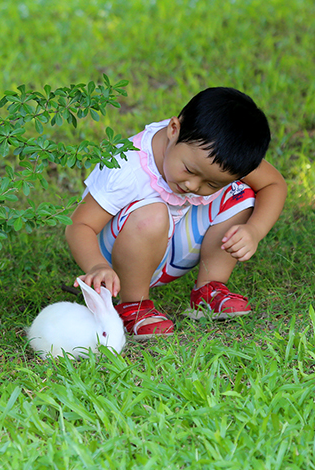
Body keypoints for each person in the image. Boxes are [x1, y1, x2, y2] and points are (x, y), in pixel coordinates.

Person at [65, 87, 287, 337]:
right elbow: (79, 225)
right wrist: (96, 266)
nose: (193, 185)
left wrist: (254, 230)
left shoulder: (218, 158)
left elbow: (273, 184)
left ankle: (209, 289)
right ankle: (134, 305)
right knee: (154, 213)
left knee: (240, 193)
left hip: (171, 250)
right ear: (173, 129)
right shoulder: (128, 165)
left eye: (211, 183)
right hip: (117, 261)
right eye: (189, 170)